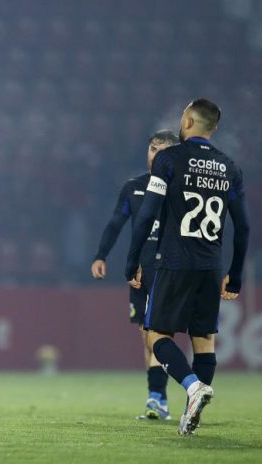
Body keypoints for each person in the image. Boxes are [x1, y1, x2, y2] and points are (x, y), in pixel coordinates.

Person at [125, 99, 249, 435]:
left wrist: (133, 260)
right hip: (211, 266)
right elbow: (243, 227)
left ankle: (193, 388)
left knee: (157, 335)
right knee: (204, 341)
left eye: (182, 116)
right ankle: (190, 418)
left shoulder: (168, 160)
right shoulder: (229, 168)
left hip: (175, 262)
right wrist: (235, 274)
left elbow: (147, 215)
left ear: (189, 121)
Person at [91, 130, 178, 420]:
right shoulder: (134, 188)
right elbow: (116, 222)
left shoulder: (182, 188)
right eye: (152, 149)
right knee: (147, 337)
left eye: (161, 152)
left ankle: (157, 397)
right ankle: (158, 398)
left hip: (169, 269)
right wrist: (101, 255)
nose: (155, 155)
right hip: (141, 271)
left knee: (158, 335)